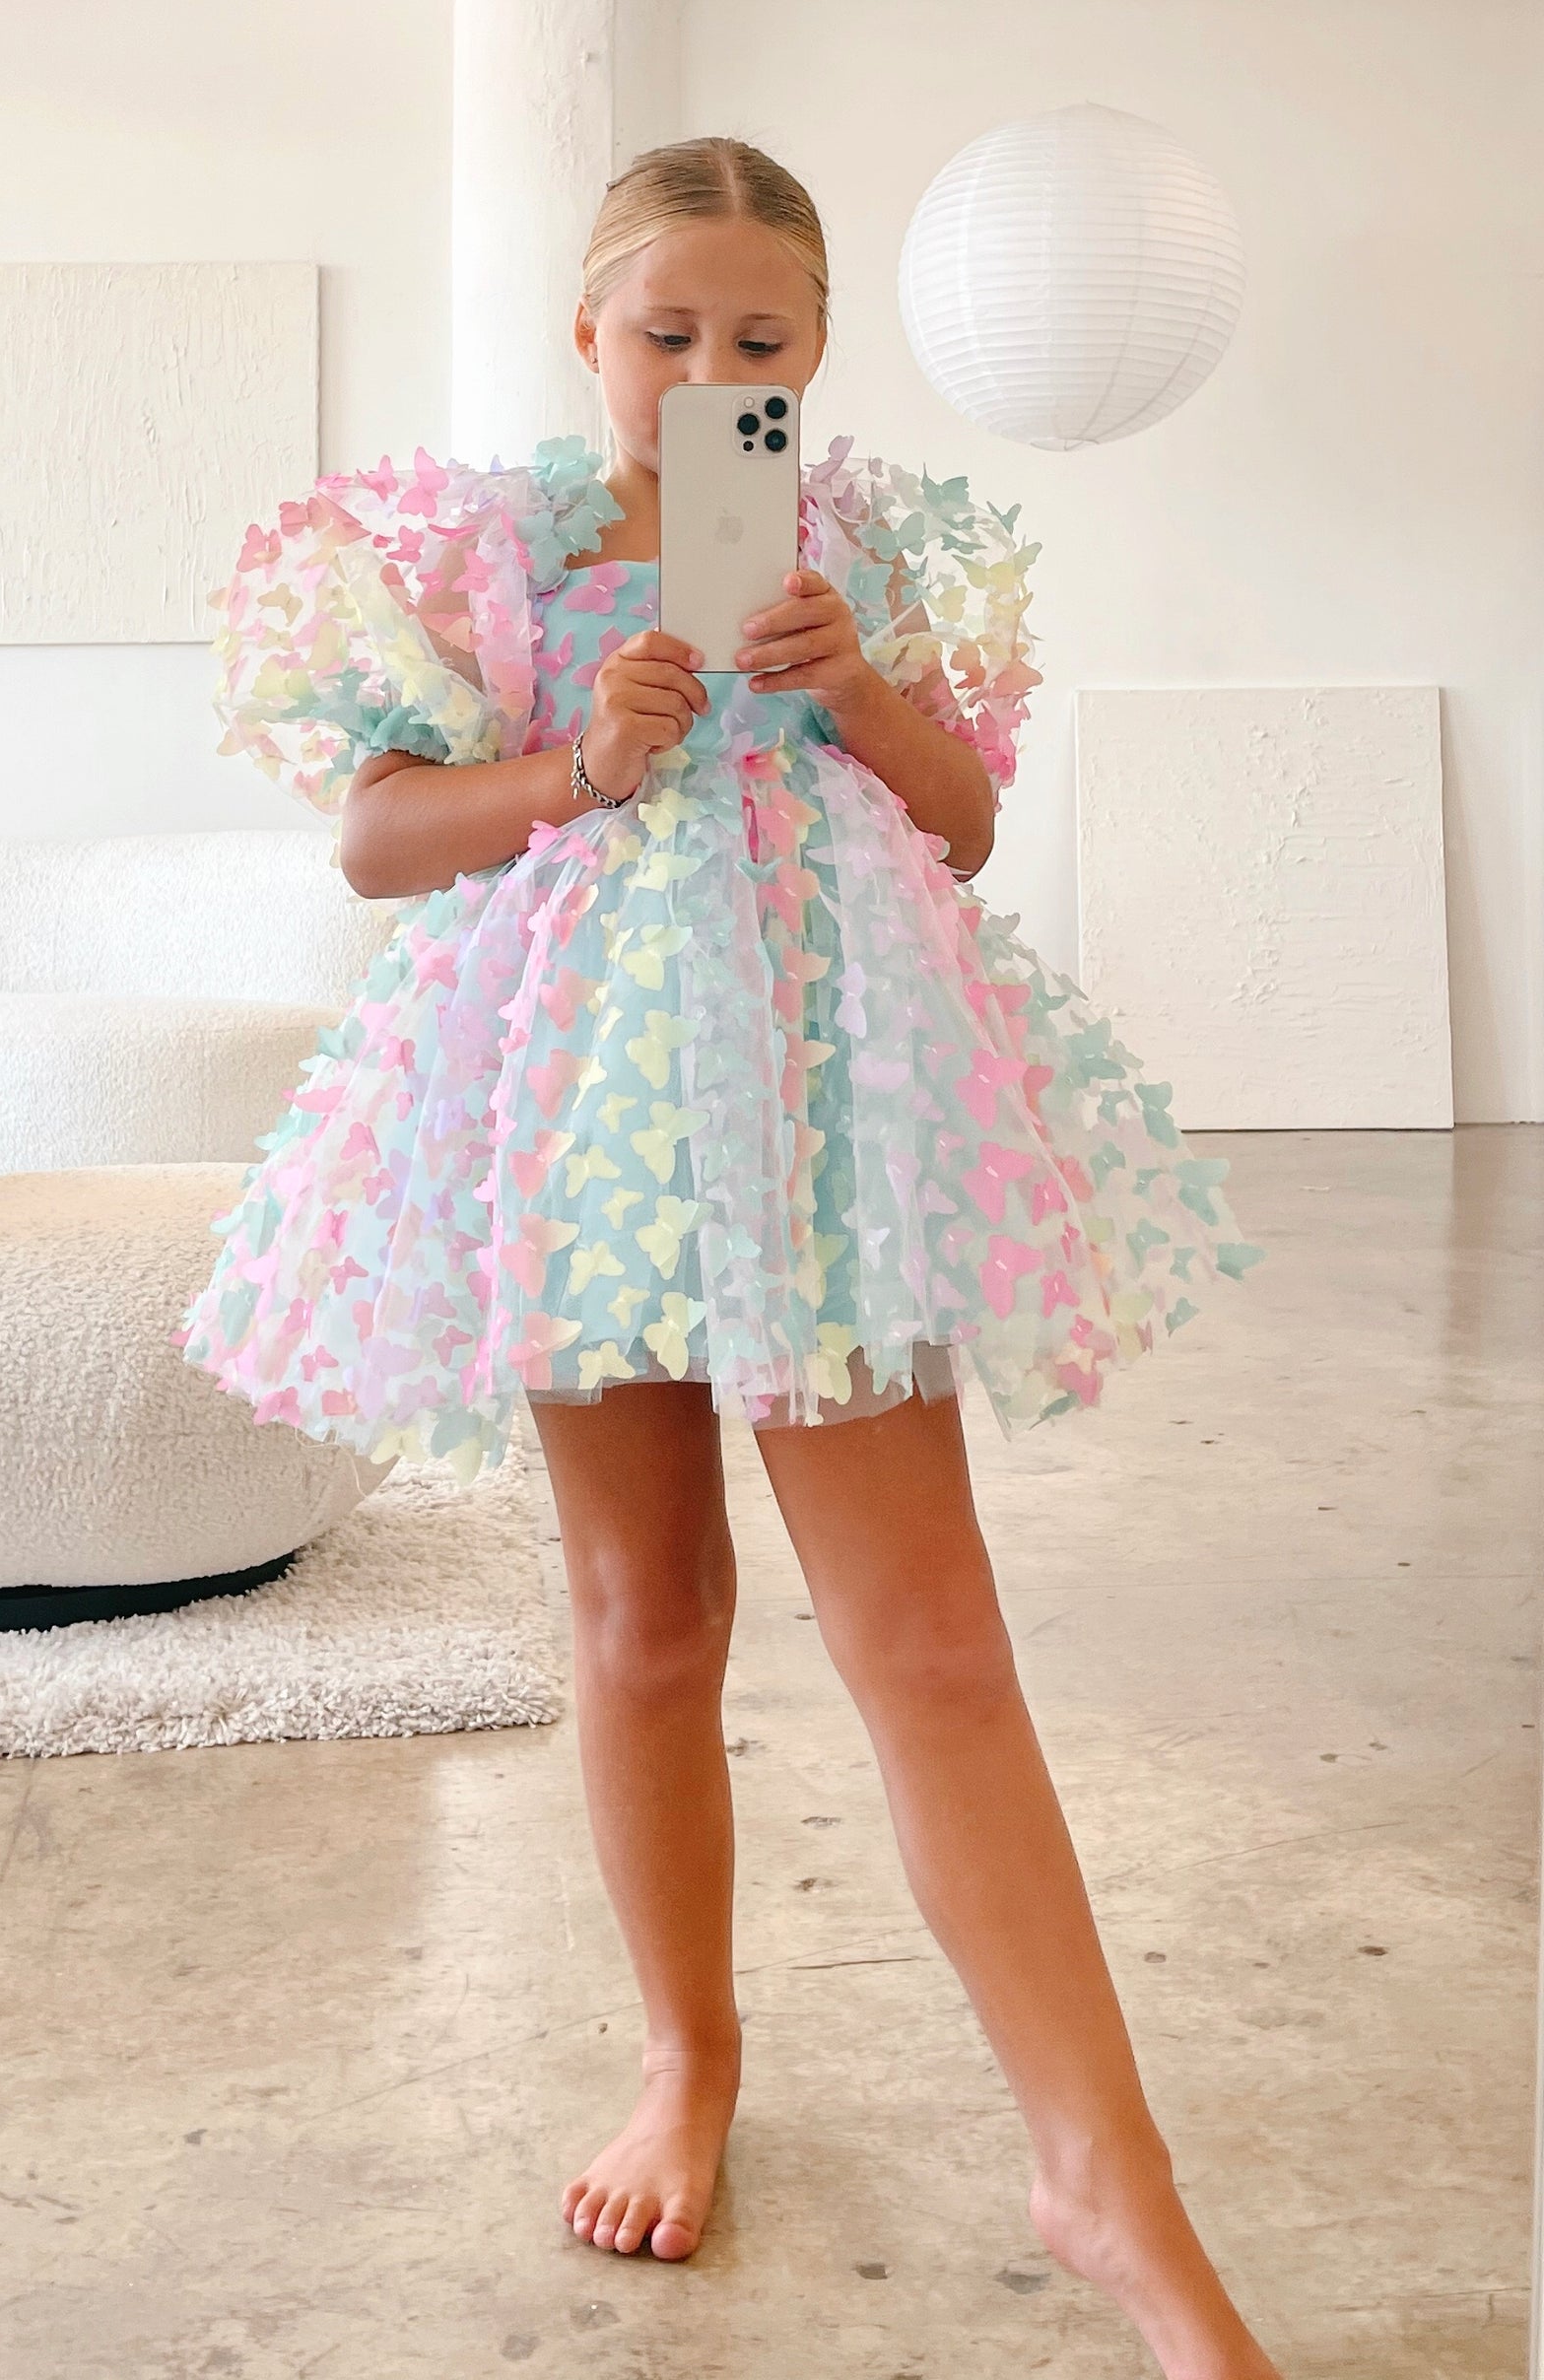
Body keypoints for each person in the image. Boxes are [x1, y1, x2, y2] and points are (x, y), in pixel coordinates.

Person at [175, 137, 1277, 2380]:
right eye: (664, 332)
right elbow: (378, 838)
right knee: (647, 1613)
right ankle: (689, 2059)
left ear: (817, 349)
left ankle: (1107, 2182)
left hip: (825, 1109)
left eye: (756, 339)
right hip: (584, 1116)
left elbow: (961, 827)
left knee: (935, 1640)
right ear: (588, 332)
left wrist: (858, 691)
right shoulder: (480, 558)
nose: (706, 373)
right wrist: (578, 764)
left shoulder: (865, 548)